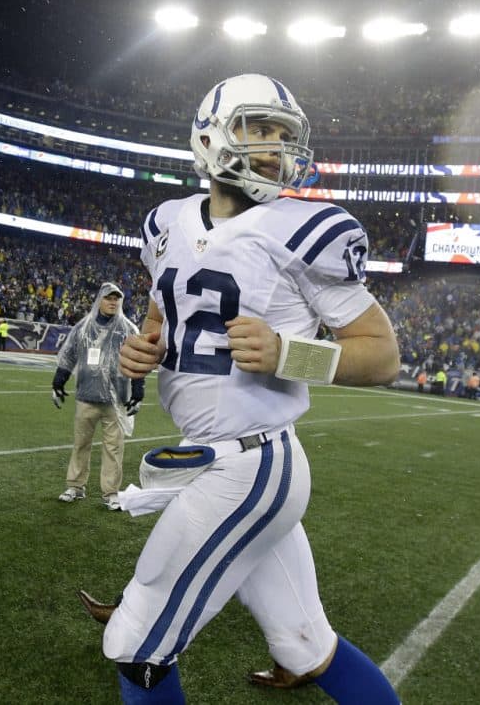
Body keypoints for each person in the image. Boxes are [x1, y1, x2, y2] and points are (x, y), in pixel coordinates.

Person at [94, 74, 402, 703]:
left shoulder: (304, 228)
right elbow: (161, 312)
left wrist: (290, 353)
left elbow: (382, 356)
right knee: (305, 645)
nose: (274, 147)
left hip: (253, 464)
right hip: (222, 457)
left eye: (284, 135)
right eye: (259, 129)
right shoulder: (166, 221)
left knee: (136, 641)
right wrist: (146, 347)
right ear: (209, 136)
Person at [53, 282, 143, 510]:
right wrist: (58, 381)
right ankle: (75, 486)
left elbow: (137, 359)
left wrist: (138, 390)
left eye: (116, 298)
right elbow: (69, 355)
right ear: (99, 300)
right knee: (80, 444)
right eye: (108, 298)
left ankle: (111, 493)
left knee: (114, 449)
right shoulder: (84, 327)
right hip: (87, 396)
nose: (113, 302)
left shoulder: (128, 329)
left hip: (116, 400)